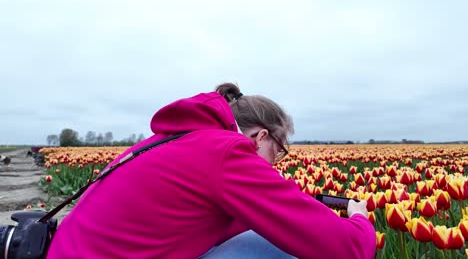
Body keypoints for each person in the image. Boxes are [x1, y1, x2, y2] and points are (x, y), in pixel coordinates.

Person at [47, 83, 375, 258]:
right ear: (261, 136)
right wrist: (360, 220)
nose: (277, 163)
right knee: (282, 250)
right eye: (279, 150)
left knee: (263, 234)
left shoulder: (171, 140)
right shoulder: (226, 152)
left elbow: (228, 222)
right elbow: (345, 250)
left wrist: (301, 207)